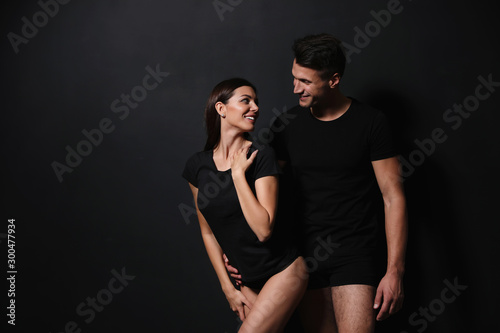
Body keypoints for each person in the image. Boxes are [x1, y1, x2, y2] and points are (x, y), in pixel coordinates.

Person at [227, 34, 408, 332]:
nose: (295, 88)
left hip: (354, 252)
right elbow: (265, 192)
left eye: (306, 82)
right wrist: (234, 247)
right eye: (294, 78)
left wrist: (395, 271)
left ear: (334, 80)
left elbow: (393, 197)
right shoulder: (285, 126)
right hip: (302, 256)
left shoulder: (371, 122)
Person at [182, 78, 308, 332]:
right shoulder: (198, 166)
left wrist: (238, 176)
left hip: (282, 270)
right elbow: (208, 231)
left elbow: (263, 229)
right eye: (245, 101)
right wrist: (227, 287)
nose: (255, 107)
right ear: (221, 109)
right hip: (248, 281)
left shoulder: (261, 156)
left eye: (256, 102)